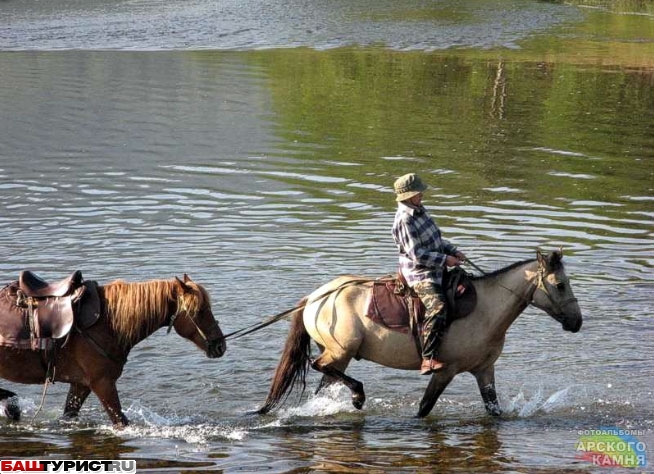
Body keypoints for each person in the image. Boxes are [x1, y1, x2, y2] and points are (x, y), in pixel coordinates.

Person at [391, 173, 466, 375]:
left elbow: (436, 240)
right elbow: (417, 254)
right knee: (438, 307)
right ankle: (428, 358)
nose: (422, 195)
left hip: (437, 267)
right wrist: (445, 260)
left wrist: (452, 250)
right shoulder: (404, 220)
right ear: (408, 196)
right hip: (420, 274)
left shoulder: (420, 210)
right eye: (419, 192)